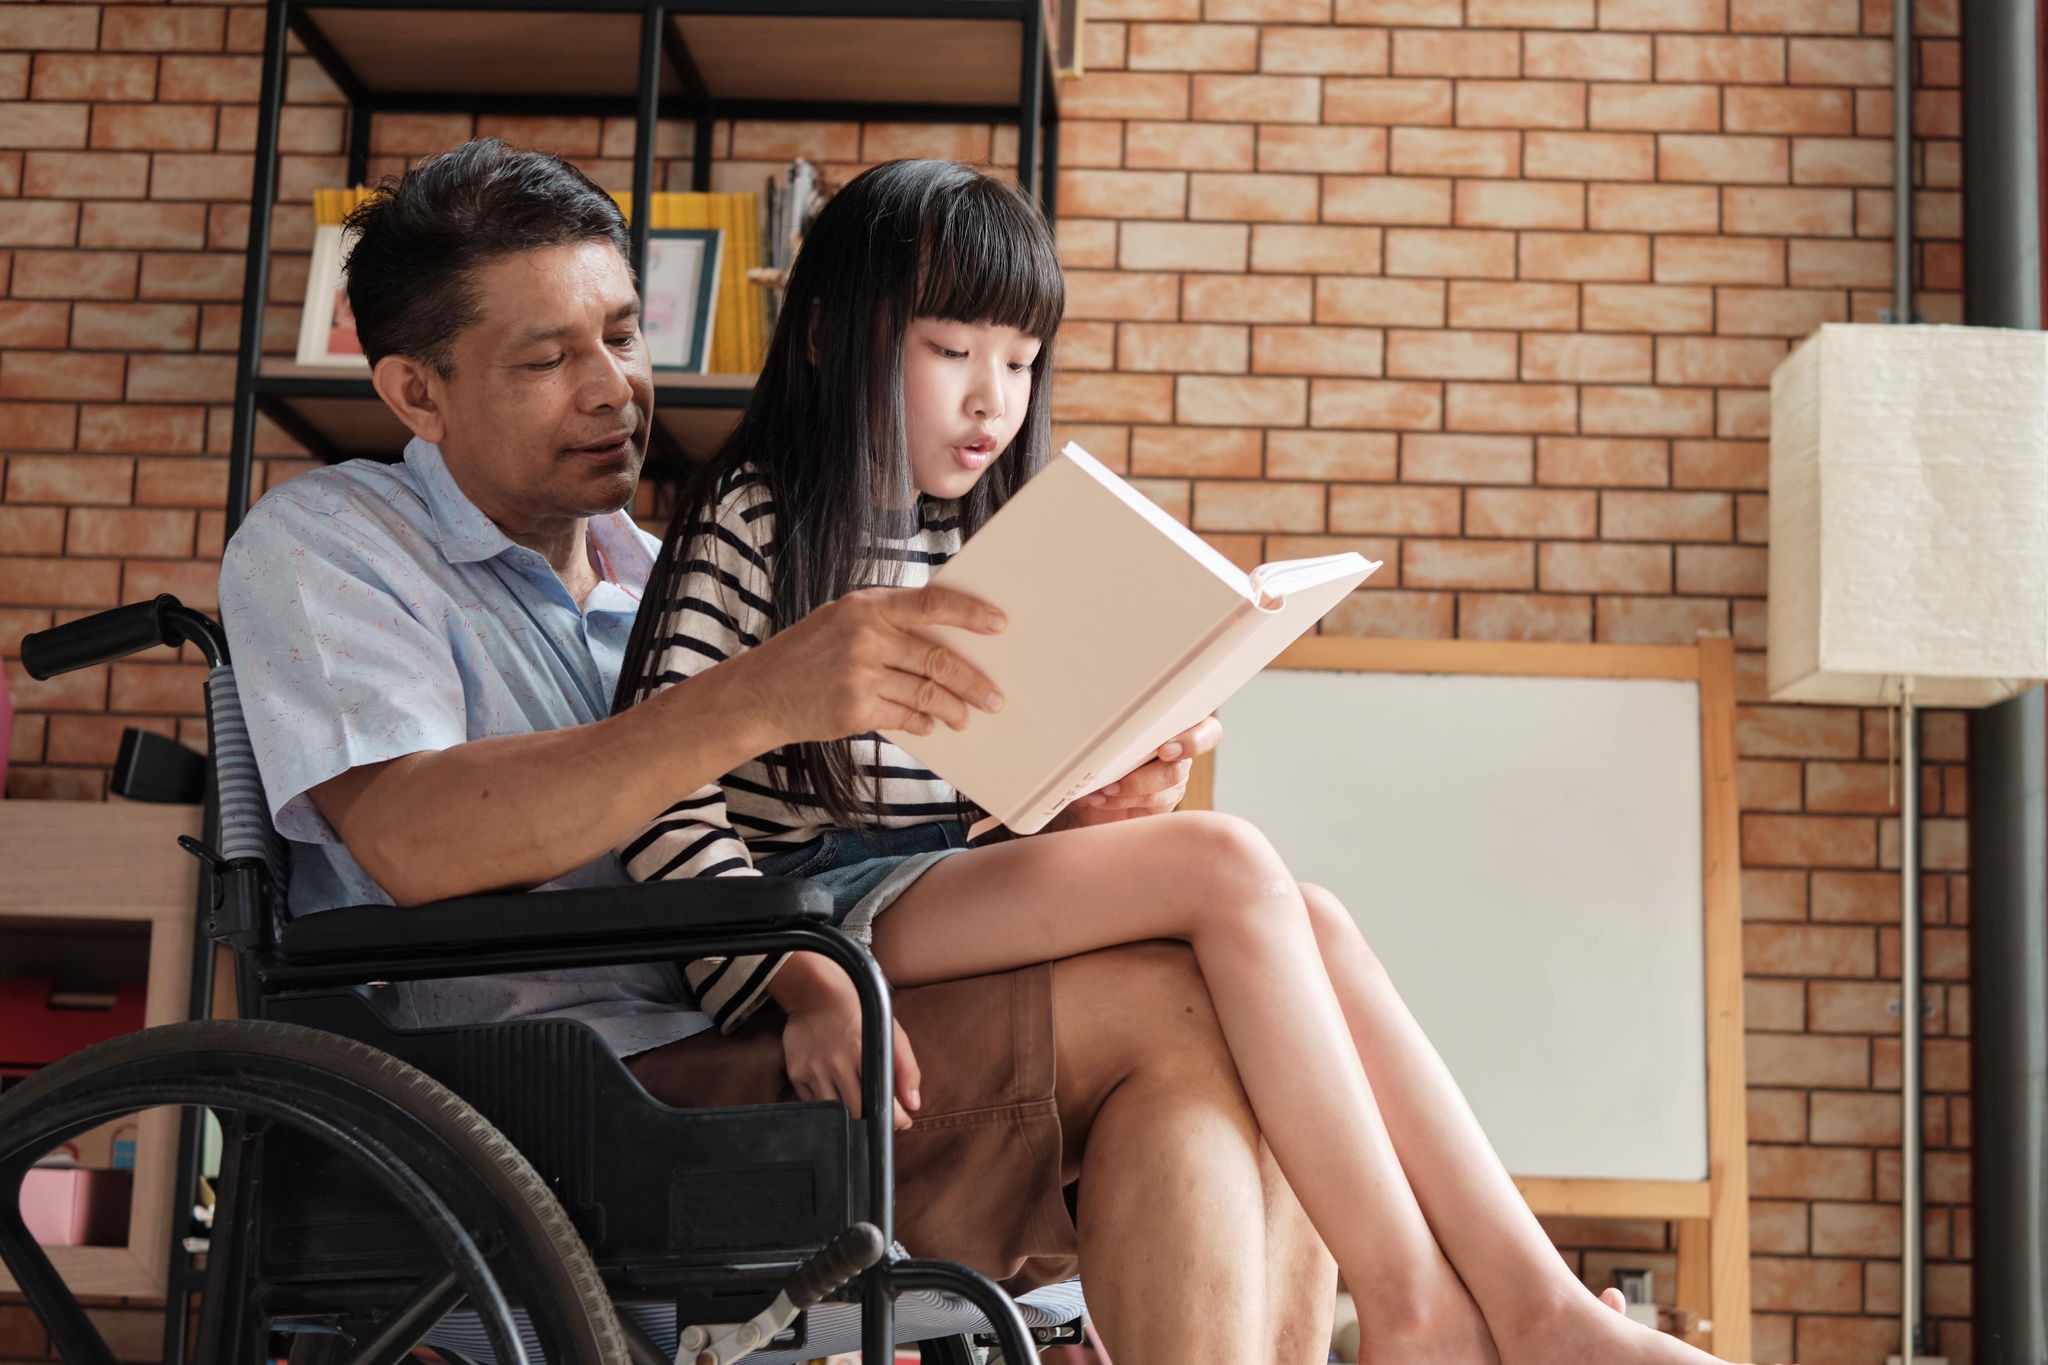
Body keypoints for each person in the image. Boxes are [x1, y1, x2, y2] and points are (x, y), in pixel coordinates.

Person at [217, 139, 1333, 1365]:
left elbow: (859, 845)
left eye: (624, 336)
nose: (611, 389)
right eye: (546, 358)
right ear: (414, 393)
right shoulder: (328, 542)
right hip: (565, 1095)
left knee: (1220, 997)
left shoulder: (655, 572)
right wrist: (753, 702)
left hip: (780, 1011)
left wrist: (1081, 816)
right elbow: (418, 842)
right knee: (1177, 1015)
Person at [617, 158, 1748, 1365]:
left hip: (924, 890)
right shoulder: (757, 511)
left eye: (1019, 359)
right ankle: (1431, 1315)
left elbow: (979, 811)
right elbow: (657, 791)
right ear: (833, 335)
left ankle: (1534, 1306)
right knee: (1224, 863)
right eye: (951, 351)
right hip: (816, 913)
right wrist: (798, 979)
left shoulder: (982, 534)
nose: (991, 398)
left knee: (1300, 917)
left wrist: (1099, 784)